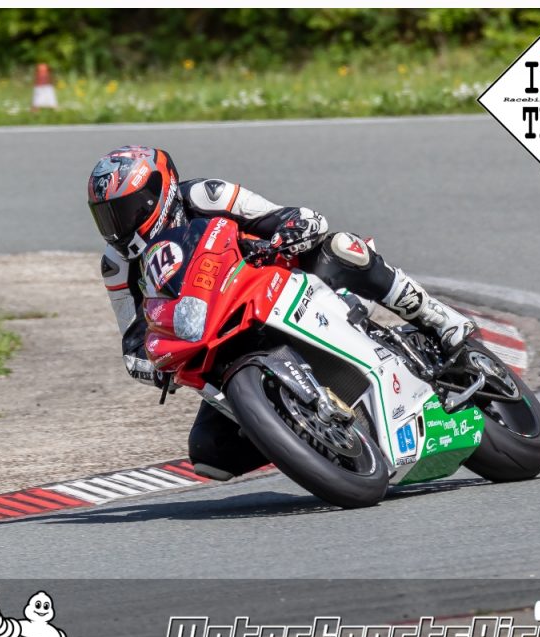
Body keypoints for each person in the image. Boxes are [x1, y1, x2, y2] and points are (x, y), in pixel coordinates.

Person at [87, 145, 475, 482]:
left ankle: (438, 318)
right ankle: (310, 440)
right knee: (210, 453)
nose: (117, 226)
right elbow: (133, 339)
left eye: (126, 210)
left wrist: (291, 229)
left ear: (159, 192)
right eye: (107, 216)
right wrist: (152, 365)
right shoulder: (116, 265)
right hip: (218, 336)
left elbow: (278, 215)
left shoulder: (205, 195)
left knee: (341, 246)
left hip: (277, 279)